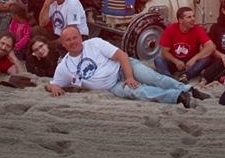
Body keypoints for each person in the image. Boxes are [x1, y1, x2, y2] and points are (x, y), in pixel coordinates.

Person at [48, 26, 206, 108]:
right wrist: (53, 87)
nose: (73, 42)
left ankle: (188, 89)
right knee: (139, 92)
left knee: (153, 78)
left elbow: (122, 56)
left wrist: (129, 76)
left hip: (123, 67)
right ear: (63, 44)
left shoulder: (94, 43)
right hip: (112, 85)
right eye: (68, 40)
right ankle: (178, 97)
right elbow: (52, 83)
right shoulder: (64, 67)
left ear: (80, 37)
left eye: (75, 37)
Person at [154, 7, 215, 82]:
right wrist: (176, 61)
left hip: (190, 63)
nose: (193, 19)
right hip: (174, 62)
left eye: (193, 16)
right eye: (189, 17)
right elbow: (164, 52)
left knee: (207, 59)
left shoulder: (198, 29)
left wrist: (194, 59)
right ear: (180, 20)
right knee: (158, 59)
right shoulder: (170, 29)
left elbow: (210, 46)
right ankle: (170, 80)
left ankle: (185, 76)